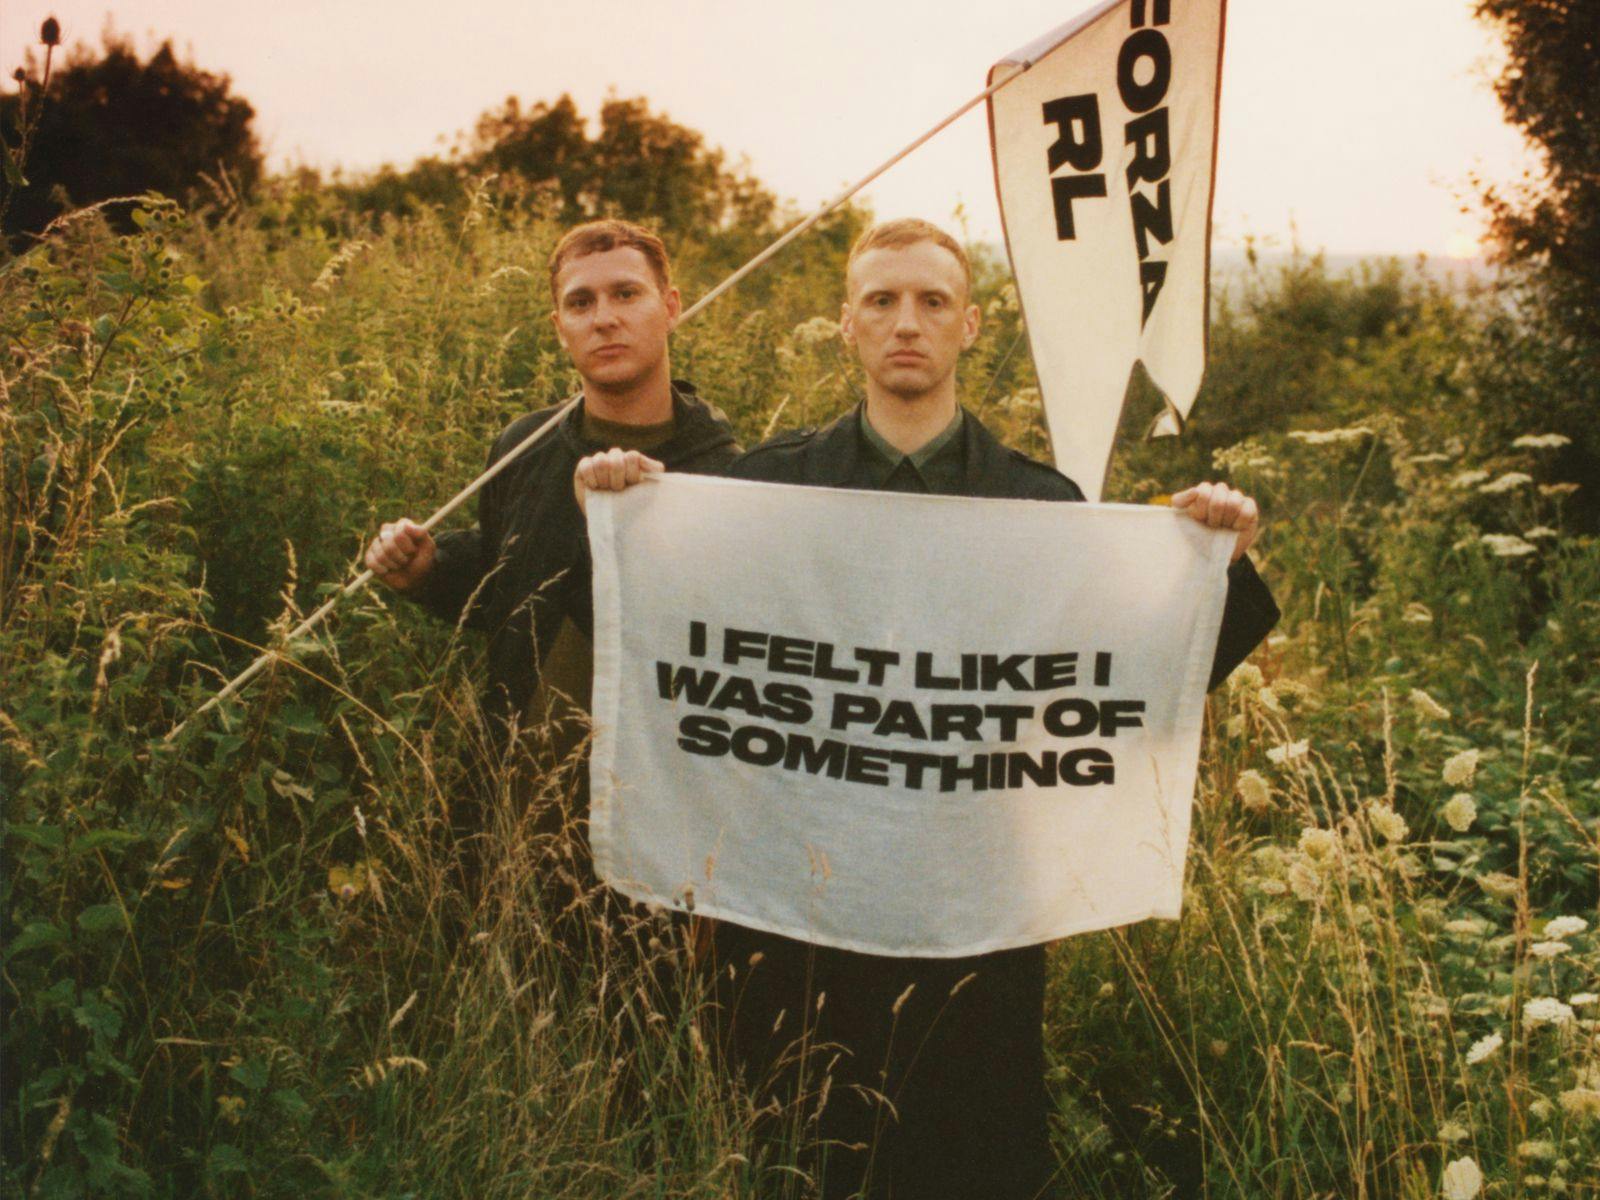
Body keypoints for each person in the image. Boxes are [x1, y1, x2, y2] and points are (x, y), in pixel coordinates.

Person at [576, 218, 1278, 1198]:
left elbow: (1138, 685)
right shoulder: (761, 489)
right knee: (792, 1164)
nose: (906, 322)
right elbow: (665, 649)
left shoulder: (1041, 507)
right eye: (881, 300)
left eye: (931, 301)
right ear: (846, 327)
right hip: (794, 925)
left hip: (975, 929)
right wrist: (623, 511)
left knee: (971, 1166)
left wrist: (1215, 566)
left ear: (970, 326)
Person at [364, 218, 740, 913]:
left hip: (651, 817)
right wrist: (426, 572)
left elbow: (711, 650)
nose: (605, 320)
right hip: (519, 790)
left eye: (626, 294)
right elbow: (507, 584)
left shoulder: (723, 470)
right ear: (559, 325)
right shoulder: (525, 445)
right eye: (581, 303)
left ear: (672, 305)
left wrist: (619, 524)